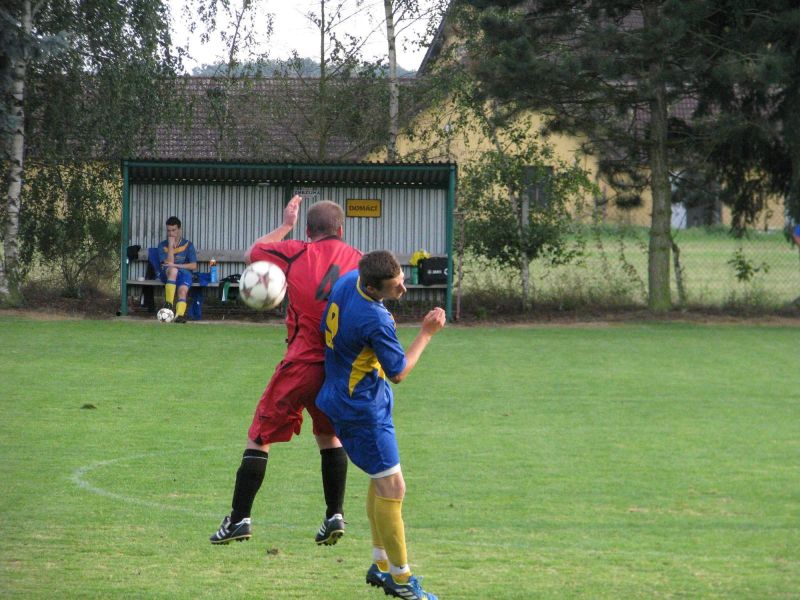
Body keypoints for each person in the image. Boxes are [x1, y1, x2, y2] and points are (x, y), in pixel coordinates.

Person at [210, 195, 362, 546]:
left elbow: (254, 253)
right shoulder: (357, 261)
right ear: (341, 229)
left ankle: (239, 519)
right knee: (328, 436)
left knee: (259, 434)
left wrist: (285, 225)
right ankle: (334, 514)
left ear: (309, 231)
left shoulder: (296, 250)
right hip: (338, 368)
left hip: (301, 363)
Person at [316, 250, 446, 600]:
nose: (403, 288)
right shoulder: (375, 318)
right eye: (395, 286)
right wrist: (427, 333)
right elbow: (399, 372)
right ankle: (402, 580)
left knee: (382, 479)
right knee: (393, 487)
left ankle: (381, 565)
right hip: (361, 410)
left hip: (342, 395)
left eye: (401, 278)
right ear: (373, 288)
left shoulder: (347, 282)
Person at [158, 216, 198, 324]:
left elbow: (194, 265)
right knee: (173, 270)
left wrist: (177, 265)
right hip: (168, 273)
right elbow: (168, 263)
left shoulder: (188, 245)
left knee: (182, 291)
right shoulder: (162, 245)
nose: (171, 233)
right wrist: (171, 245)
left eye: (174, 230)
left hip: (184, 273)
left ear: (179, 229)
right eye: (169, 231)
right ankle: (169, 304)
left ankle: (179, 316)